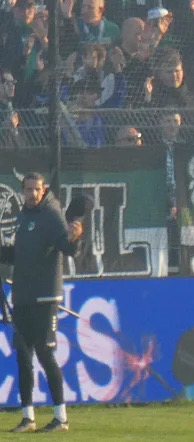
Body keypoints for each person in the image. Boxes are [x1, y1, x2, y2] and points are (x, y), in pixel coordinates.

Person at [0, 173, 84, 432]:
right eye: (28, 190)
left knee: (45, 354)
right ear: (22, 192)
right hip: (23, 295)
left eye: (36, 190)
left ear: (43, 189)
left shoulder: (51, 214)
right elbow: (21, 254)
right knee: (23, 355)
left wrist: (74, 237)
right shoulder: (24, 217)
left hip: (45, 295)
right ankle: (28, 417)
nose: (32, 194)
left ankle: (61, 417)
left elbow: (66, 247)